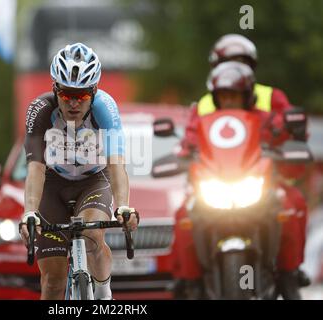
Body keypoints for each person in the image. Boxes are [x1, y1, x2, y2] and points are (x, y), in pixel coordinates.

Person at [172, 61, 309, 299]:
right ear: (215, 98)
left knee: (289, 208)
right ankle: (191, 282)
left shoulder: (265, 118)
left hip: (256, 186)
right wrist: (182, 153)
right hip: (214, 187)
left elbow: (284, 134)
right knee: (184, 214)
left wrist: (292, 132)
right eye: (224, 96)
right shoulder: (203, 121)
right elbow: (187, 143)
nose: (229, 102)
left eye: (235, 96)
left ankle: (288, 276)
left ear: (248, 96)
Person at [18, 43, 140, 300]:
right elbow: (36, 167)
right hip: (52, 182)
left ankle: (104, 293)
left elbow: (116, 163)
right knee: (53, 282)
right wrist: (30, 210)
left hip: (93, 180)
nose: (73, 103)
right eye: (66, 94)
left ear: (93, 92)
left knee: (91, 232)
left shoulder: (105, 108)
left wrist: (123, 206)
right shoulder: (40, 109)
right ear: (55, 89)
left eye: (82, 96)